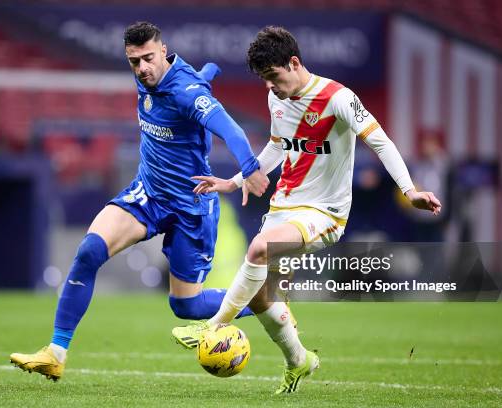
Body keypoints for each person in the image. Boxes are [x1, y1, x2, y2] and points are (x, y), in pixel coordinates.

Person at [172, 26, 442, 394]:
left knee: (258, 248)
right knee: (263, 296)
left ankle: (214, 325)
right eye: (265, 80)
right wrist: (234, 182)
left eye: (273, 77)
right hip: (283, 207)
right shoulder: (277, 99)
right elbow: (277, 147)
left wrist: (409, 190)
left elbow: (380, 142)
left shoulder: (337, 98)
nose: (270, 87)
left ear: (294, 62)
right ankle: (299, 360)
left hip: (324, 213)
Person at [10, 21, 269, 381]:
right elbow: (190, 77)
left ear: (163, 50)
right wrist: (207, 72)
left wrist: (250, 167)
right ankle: (55, 352)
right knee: (88, 252)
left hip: (190, 204)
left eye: (148, 58)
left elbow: (230, 128)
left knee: (186, 306)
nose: (142, 68)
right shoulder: (149, 76)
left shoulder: (187, 91)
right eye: (134, 61)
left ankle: (264, 298)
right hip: (147, 193)